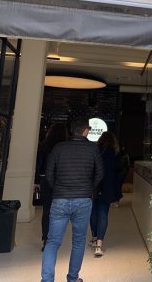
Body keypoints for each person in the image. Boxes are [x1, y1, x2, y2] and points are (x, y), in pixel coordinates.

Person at [41, 118, 104, 282]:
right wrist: (89, 188)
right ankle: (73, 278)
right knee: (78, 241)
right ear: (85, 130)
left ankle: (46, 280)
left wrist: (57, 188)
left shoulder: (59, 147)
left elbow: (49, 173)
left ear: (71, 130)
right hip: (83, 200)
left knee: (52, 241)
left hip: (60, 199)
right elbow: (100, 173)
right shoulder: (92, 148)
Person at [34, 123, 68, 251]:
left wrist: (37, 182)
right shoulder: (65, 147)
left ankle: (46, 239)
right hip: (61, 180)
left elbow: (38, 165)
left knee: (47, 210)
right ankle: (56, 238)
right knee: (61, 211)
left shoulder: (44, 145)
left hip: (45, 180)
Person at [89, 131, 120, 257]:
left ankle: (94, 237)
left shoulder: (95, 151)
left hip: (94, 186)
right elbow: (118, 172)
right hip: (107, 187)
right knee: (103, 214)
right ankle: (99, 245)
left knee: (93, 213)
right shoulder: (115, 153)